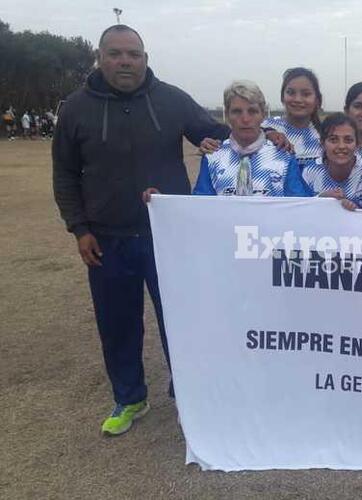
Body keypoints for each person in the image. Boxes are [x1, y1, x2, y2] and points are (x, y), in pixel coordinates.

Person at [52, 24, 230, 436]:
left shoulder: (171, 100)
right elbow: (63, 173)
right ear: (100, 57)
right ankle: (130, 397)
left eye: (133, 54)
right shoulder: (76, 108)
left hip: (167, 237)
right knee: (117, 323)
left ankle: (186, 393)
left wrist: (271, 134)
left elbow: (224, 136)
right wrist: (79, 228)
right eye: (115, 54)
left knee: (180, 321)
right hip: (107, 238)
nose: (125, 61)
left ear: (145, 58)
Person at [189, 80, 305, 196]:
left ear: (263, 115)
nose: (245, 119)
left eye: (252, 111)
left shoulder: (283, 156)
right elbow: (201, 206)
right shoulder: (212, 157)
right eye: (237, 112)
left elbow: (299, 205)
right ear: (227, 115)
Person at [301, 113, 362, 208]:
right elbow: (301, 209)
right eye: (333, 140)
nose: (341, 146)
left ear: (357, 144)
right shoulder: (310, 171)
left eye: (348, 140)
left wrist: (354, 208)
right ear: (322, 144)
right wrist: (320, 199)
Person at [260, 67, 324, 166]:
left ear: (317, 100)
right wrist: (265, 133)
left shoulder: (326, 136)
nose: (298, 99)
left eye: (306, 94)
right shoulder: (264, 127)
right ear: (282, 97)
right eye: (291, 93)